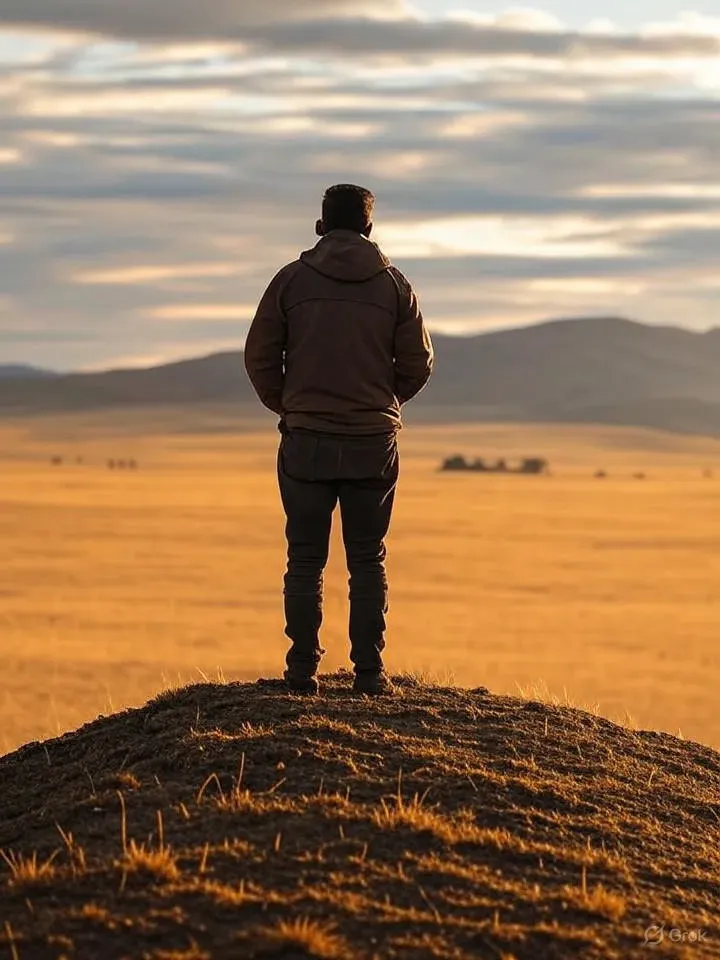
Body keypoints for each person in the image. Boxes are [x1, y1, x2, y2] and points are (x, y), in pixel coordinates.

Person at [244, 184, 434, 696]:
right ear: (370, 230)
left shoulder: (290, 281)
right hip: (374, 442)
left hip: (305, 439)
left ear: (320, 227)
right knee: (368, 557)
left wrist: (291, 405)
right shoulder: (395, 286)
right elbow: (419, 364)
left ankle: (302, 670)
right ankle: (369, 674)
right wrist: (380, 404)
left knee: (304, 559)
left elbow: (259, 356)